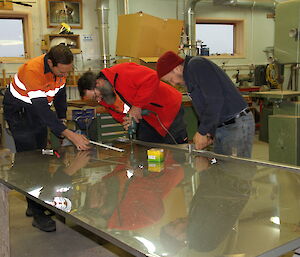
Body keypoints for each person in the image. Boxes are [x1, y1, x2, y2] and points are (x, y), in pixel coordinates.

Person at [3, 44, 90, 232]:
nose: (64, 75)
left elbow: (59, 95)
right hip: (19, 112)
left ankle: (35, 203)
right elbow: (42, 109)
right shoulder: (33, 71)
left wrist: (61, 119)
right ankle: (37, 214)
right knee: (31, 162)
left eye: (68, 71)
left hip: (36, 111)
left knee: (42, 158)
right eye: (62, 71)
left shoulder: (60, 70)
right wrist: (69, 134)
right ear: (50, 62)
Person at [156, 51, 255, 158]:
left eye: (171, 79)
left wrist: (202, 132)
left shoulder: (196, 65)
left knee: (237, 170)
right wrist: (209, 134)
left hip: (235, 125)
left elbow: (215, 100)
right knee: (223, 168)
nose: (173, 84)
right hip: (223, 126)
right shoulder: (190, 77)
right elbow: (207, 106)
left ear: (177, 68)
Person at [77, 63, 188, 144]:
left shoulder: (123, 71)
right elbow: (119, 111)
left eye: (95, 96)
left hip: (169, 108)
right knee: (146, 151)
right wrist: (126, 120)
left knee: (174, 153)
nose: (98, 100)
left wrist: (137, 106)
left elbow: (152, 77)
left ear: (99, 83)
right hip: (149, 118)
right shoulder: (105, 96)